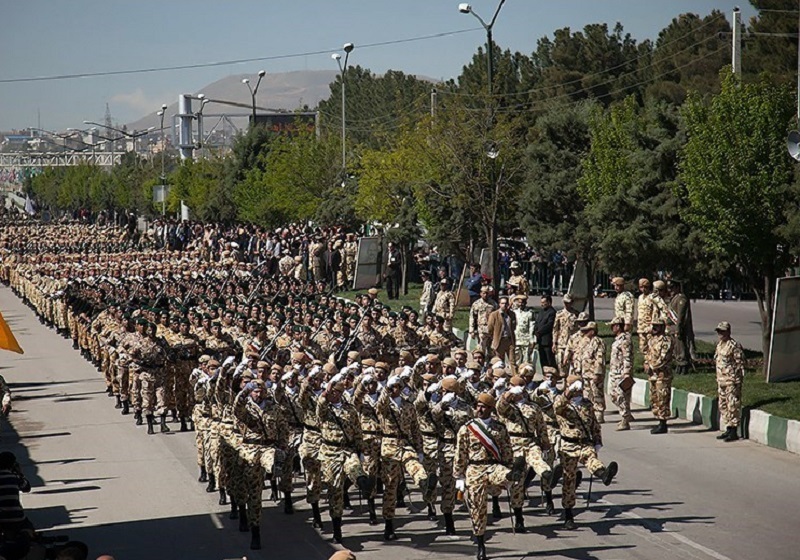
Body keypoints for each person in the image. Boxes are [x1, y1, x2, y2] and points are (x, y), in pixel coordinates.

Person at [453, 393, 526, 560]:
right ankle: (481, 545)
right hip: (474, 469)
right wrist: (459, 476)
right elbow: (460, 454)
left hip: (493, 465)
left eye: (484, 406)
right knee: (477, 509)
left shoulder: (499, 428)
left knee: (504, 473)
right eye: (478, 405)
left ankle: (511, 475)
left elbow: (507, 450)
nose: (480, 409)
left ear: (491, 409)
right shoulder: (467, 428)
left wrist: (509, 465)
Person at [554, 375, 618, 530]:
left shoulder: (587, 404)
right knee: (569, 480)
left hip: (584, 443)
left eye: (580, 385)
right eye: (575, 385)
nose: (579, 389)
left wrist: (597, 441)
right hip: (568, 445)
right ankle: (568, 514)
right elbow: (557, 407)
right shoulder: (562, 402)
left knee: (591, 459)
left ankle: (604, 475)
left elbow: (595, 425)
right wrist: (569, 392)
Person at [714, 321, 745, 442]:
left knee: (732, 405)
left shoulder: (734, 345)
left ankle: (733, 431)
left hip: (731, 381)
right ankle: (728, 427)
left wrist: (737, 380)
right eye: (719, 331)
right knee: (723, 405)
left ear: (728, 332)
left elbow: (740, 363)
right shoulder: (720, 344)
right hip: (721, 380)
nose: (720, 334)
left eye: (722, 331)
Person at [644, 318, 674, 434]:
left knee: (662, 399)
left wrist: (651, 366)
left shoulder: (666, 341)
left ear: (662, 327)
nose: (654, 328)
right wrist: (646, 363)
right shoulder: (652, 340)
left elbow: (663, 358)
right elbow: (648, 353)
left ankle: (663, 423)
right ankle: (658, 420)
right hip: (653, 376)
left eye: (657, 326)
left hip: (662, 375)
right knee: (654, 398)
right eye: (653, 326)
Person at [608, 317, 634, 431]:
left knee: (621, 396)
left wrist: (627, 373)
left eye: (612, 326)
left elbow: (627, 357)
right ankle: (627, 414)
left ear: (618, 326)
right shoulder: (617, 339)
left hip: (622, 373)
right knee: (613, 395)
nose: (611, 328)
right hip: (615, 372)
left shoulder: (625, 340)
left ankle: (625, 420)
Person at [668, 280, 695, 375]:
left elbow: (680, 315)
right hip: (672, 327)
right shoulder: (673, 298)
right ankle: (679, 364)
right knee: (676, 348)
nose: (670, 290)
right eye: (669, 288)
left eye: (672, 287)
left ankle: (683, 365)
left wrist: (678, 328)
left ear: (677, 288)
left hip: (677, 327)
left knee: (680, 348)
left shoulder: (681, 299)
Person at [487, 296, 517, 373]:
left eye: (506, 303)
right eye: (502, 303)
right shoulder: (494, 315)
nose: (504, 305)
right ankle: (499, 375)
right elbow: (490, 328)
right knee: (499, 361)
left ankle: (515, 377)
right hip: (499, 341)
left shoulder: (512, 314)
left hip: (509, 340)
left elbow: (514, 326)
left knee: (513, 361)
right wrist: (493, 338)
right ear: (499, 304)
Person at [469, 286, 497, 356]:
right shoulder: (476, 304)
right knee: (481, 349)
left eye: (487, 293)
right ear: (480, 293)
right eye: (484, 293)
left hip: (491, 330)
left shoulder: (493, 304)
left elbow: (497, 317)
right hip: (481, 330)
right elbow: (472, 317)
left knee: (492, 350)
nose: (485, 295)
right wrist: (472, 330)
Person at [535, 294, 557, 370]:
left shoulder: (552, 312)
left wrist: (539, 332)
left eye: (544, 302)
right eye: (541, 302)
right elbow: (537, 322)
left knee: (549, 359)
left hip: (547, 340)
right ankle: (545, 374)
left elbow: (549, 325)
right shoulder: (541, 312)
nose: (542, 304)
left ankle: (552, 375)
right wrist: (535, 330)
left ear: (549, 302)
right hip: (540, 340)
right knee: (542, 359)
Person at [512, 295, 535, 364]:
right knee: (517, 359)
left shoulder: (529, 313)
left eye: (522, 302)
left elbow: (531, 327)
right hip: (517, 338)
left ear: (525, 303)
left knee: (526, 360)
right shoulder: (514, 312)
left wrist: (531, 339)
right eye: (519, 302)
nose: (521, 304)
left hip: (526, 339)